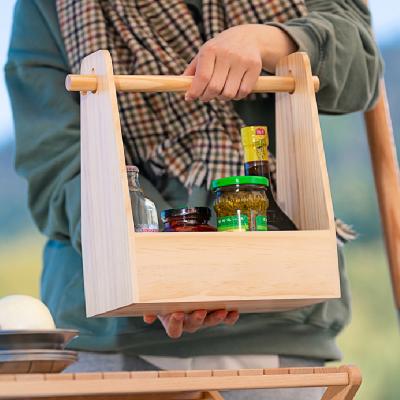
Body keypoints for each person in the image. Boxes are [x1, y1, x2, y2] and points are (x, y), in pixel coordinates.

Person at [6, 1, 381, 399]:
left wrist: (270, 39)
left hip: (276, 324)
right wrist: (159, 271)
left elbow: (361, 66)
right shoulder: (44, 7)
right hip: (114, 334)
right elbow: (59, 166)